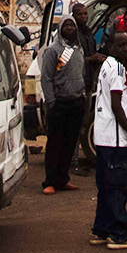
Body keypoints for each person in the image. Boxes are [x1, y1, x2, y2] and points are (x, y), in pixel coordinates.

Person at [89, 31, 127, 250]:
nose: (126, 50)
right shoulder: (117, 69)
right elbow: (117, 105)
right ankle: (119, 234)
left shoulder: (107, 66)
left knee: (105, 186)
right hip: (115, 139)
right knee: (117, 187)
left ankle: (100, 230)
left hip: (103, 137)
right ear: (110, 46)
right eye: (121, 46)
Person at [37, 17, 85, 195]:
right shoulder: (53, 51)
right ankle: (49, 181)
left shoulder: (78, 49)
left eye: (73, 25)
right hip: (59, 104)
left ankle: (62, 179)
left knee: (70, 143)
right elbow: (47, 78)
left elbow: (81, 73)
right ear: (60, 28)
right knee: (55, 144)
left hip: (76, 101)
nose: (71, 28)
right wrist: (52, 102)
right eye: (67, 25)